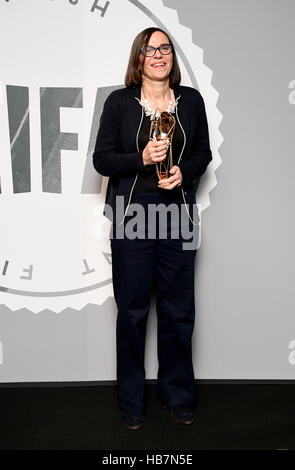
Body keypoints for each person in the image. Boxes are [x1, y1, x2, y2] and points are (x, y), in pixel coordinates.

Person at [92, 27, 212, 430]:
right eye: (150, 49)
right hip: (133, 217)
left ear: (172, 57)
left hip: (178, 216)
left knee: (178, 313)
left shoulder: (191, 102)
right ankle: (131, 401)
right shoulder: (119, 103)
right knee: (132, 312)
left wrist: (184, 173)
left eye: (165, 48)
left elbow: (203, 154)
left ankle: (178, 396)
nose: (158, 55)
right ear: (138, 58)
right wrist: (142, 158)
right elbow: (103, 161)